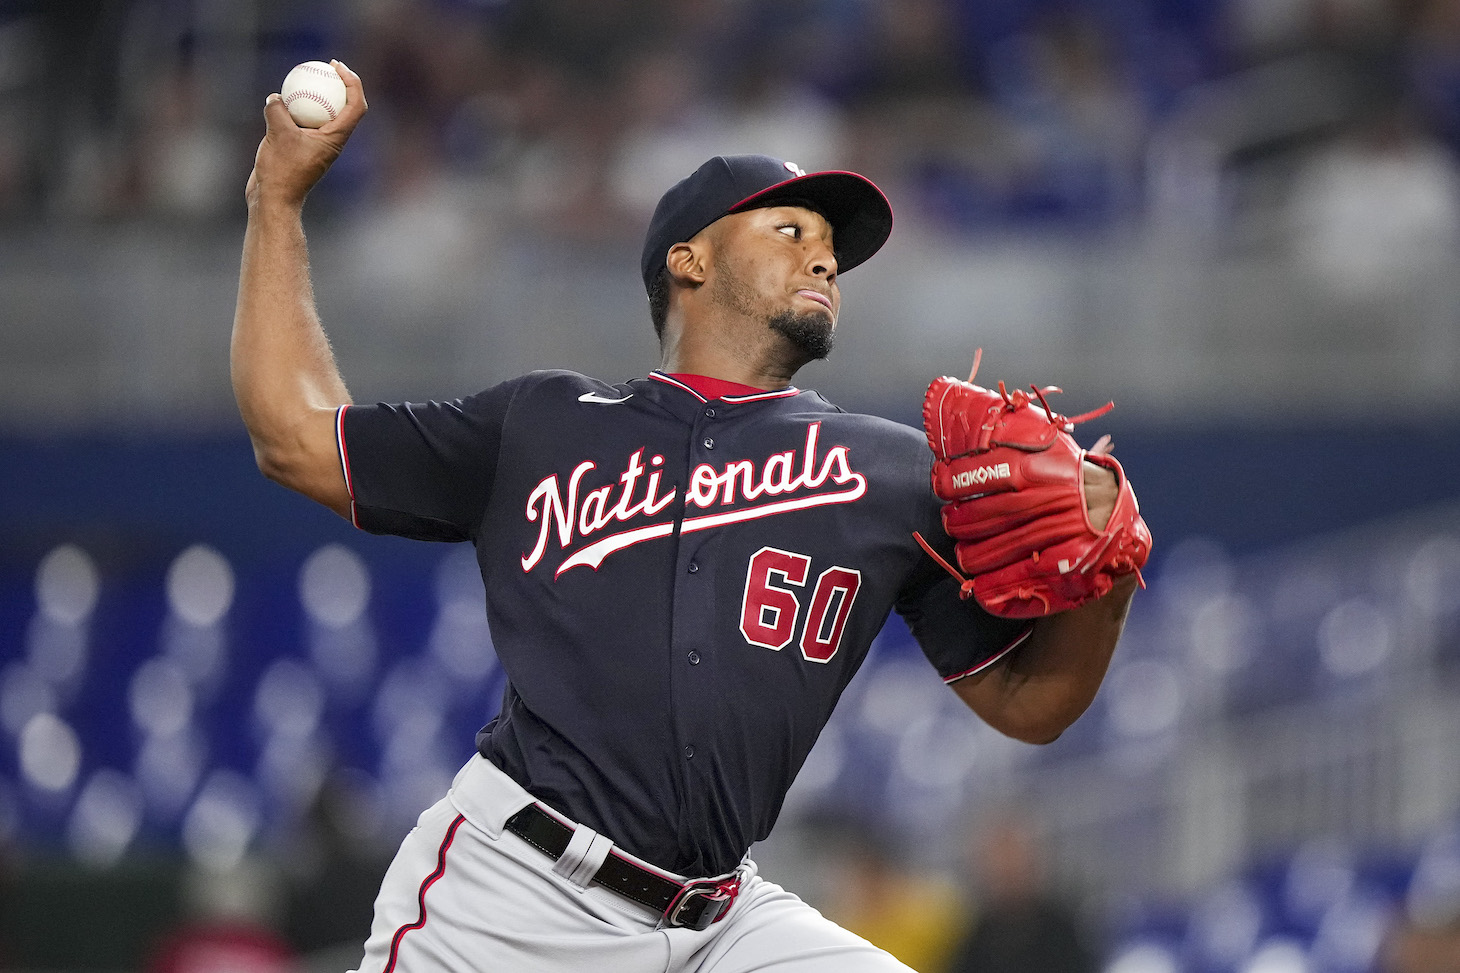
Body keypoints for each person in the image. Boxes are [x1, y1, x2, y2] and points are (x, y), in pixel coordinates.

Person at [232, 61, 1139, 973]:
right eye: (790, 229)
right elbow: (294, 438)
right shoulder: (541, 423)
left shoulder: (892, 471)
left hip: (723, 921)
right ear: (688, 258)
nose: (823, 256)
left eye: (831, 246)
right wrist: (276, 200)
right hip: (512, 896)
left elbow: (1030, 704)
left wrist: (1107, 576)